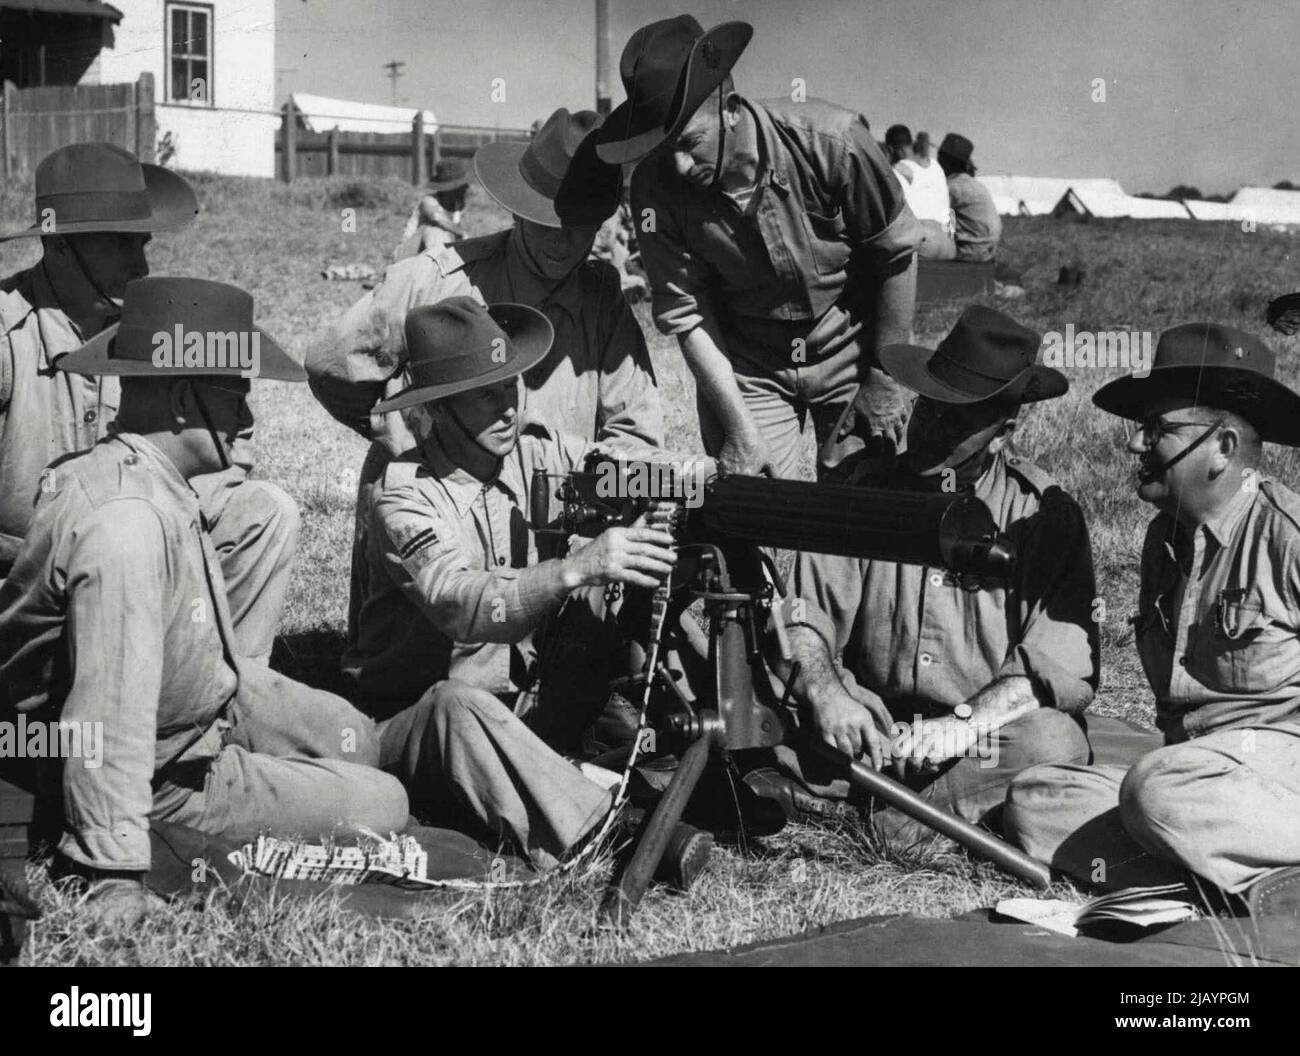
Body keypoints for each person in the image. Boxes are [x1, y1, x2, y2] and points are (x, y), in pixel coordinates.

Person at [0, 278, 409, 929]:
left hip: (193, 708)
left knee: (355, 737)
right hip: (159, 770)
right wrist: (112, 869)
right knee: (383, 803)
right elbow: (108, 710)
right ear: (186, 401)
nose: (250, 417)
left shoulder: (149, 476)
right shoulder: (126, 524)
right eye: (237, 394)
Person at [346, 296, 712, 878]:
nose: (506, 408)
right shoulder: (404, 495)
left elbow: (613, 469)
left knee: (640, 569)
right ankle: (613, 834)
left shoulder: (536, 453)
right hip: (417, 724)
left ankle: (714, 752)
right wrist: (576, 567)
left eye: (511, 386)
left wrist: (696, 482)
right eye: (484, 394)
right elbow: (461, 605)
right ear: (439, 407)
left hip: (527, 703)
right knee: (456, 704)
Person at [764, 307, 1098, 842]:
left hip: (975, 740)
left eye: (956, 422)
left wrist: (960, 726)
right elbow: (802, 617)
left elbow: (1056, 666)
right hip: (866, 724)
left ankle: (884, 815)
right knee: (751, 696)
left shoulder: (1042, 516)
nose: (929, 430)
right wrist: (829, 694)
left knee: (1055, 743)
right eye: (928, 409)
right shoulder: (864, 492)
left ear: (1001, 434)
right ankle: (899, 802)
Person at [1005, 323, 1300, 902]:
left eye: (1159, 429)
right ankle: (1235, 882)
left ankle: (1212, 863)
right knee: (1034, 799)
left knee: (1153, 793)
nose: (1136, 446)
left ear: (1223, 448)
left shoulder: (1286, 538)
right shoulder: (1162, 541)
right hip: (1194, 777)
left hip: (1275, 771)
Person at [0, 142, 298, 663]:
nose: (139, 264)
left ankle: (225, 692)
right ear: (60, 245)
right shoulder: (6, 334)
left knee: (263, 511)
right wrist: (59, 548)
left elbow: (218, 466)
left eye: (142, 243)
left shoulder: (154, 325)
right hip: (22, 584)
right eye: (119, 244)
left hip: (134, 559)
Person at [596, 15, 921, 481]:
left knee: (868, 503)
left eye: (690, 143)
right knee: (743, 502)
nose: (681, 166)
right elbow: (688, 314)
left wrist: (886, 378)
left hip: (850, 345)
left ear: (730, 108)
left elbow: (896, 254)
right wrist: (739, 427)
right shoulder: (654, 186)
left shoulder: (833, 143)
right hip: (750, 360)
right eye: (666, 149)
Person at [886, 126, 956, 261]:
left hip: (924, 240)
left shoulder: (896, 170)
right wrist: (951, 237)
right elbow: (949, 208)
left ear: (890, 149)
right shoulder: (937, 166)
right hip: (948, 244)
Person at [937, 133, 1002, 263]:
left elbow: (947, 229)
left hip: (970, 251)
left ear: (946, 161)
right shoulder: (976, 185)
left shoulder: (951, 187)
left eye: (940, 157)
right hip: (989, 249)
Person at [393, 158, 470, 261]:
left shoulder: (457, 208)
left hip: (431, 258)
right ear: (449, 190)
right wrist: (460, 232)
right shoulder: (429, 201)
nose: (466, 188)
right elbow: (437, 217)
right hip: (406, 257)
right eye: (461, 186)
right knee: (435, 231)